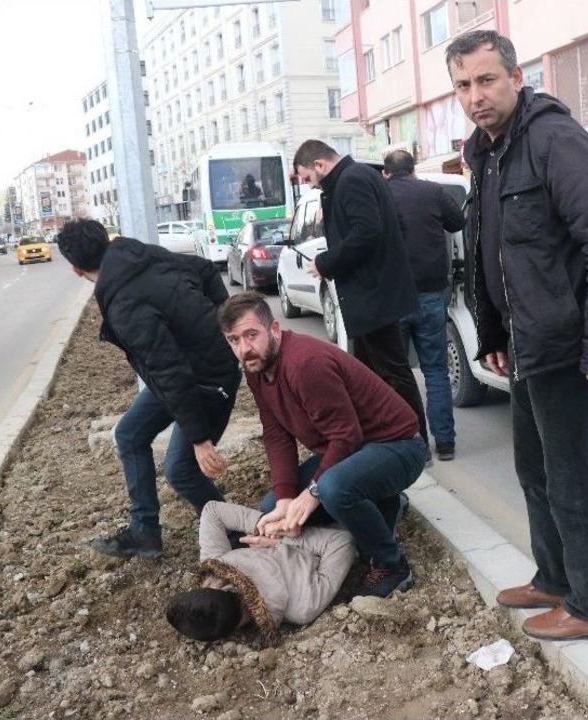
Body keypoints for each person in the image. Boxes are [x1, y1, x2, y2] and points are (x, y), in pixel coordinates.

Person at [447, 30, 588, 642]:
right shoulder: (487, 151)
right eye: (463, 85)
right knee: (534, 471)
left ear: (514, 77)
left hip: (564, 345)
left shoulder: (554, 140)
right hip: (526, 344)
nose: (475, 96)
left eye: (486, 80)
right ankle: (554, 579)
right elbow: (491, 253)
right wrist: (492, 332)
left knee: (574, 480)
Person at [218, 292, 427, 598]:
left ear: (274, 330)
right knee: (271, 507)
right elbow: (276, 434)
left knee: (332, 490)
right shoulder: (257, 368)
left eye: (251, 335)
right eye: (234, 340)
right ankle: (385, 504)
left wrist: (312, 492)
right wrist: (287, 497)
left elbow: (346, 435)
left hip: (398, 446)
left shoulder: (304, 364)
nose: (244, 349)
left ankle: (391, 563)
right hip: (354, 452)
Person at [56, 219, 241, 559]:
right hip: (186, 375)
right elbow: (205, 270)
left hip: (208, 379)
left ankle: (235, 535)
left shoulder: (124, 304)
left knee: (181, 470)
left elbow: (168, 369)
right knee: (129, 435)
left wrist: (199, 439)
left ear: (75, 269)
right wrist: (220, 322)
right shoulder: (142, 255)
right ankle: (145, 532)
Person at [291, 139, 429, 452]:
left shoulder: (351, 180)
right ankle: (384, 434)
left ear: (321, 165)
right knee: (368, 373)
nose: (309, 186)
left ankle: (415, 438)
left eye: (308, 178)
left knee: (392, 371)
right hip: (372, 293)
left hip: (373, 295)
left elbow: (367, 232)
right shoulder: (355, 178)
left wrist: (326, 262)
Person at [165, 500, 356, 644]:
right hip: (342, 521)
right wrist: (279, 540)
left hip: (302, 511)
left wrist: (268, 528)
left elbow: (212, 511)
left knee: (270, 502)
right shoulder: (302, 605)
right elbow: (341, 541)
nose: (209, 581)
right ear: (222, 589)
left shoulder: (215, 567)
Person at [383, 149, 466, 462]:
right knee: (436, 371)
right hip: (432, 294)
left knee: (399, 374)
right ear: (413, 170)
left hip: (394, 297)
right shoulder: (431, 191)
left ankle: (415, 446)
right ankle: (445, 442)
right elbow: (457, 221)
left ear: (386, 173)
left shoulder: (381, 194)